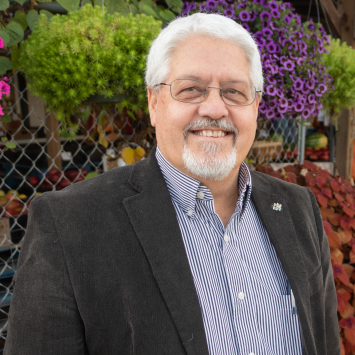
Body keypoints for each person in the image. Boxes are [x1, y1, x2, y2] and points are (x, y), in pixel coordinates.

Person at [4, 13, 339, 355]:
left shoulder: (298, 209)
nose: (214, 108)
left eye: (234, 91)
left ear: (255, 106)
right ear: (154, 102)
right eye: (191, 89)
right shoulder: (69, 224)